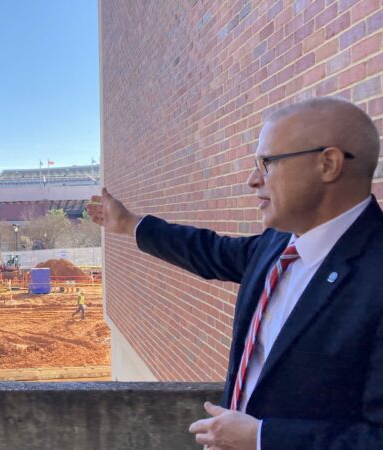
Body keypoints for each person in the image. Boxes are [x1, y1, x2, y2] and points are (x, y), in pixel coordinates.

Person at [87, 97, 383, 450]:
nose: (252, 180)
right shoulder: (278, 244)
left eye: (267, 163)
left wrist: (261, 438)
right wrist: (129, 224)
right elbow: (209, 251)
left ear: (329, 163)